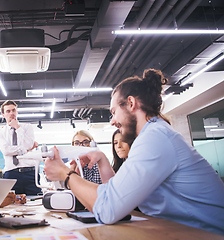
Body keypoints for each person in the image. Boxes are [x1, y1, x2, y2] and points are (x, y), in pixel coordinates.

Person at [44, 69, 224, 235]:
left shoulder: (155, 138)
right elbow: (120, 195)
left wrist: (65, 174)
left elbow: (108, 209)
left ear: (131, 103)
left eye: (113, 112)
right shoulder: (152, 134)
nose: (112, 122)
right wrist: (103, 160)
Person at [0, 100, 40, 195]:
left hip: (30, 172)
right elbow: (6, 151)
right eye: (8, 111)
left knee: (35, 203)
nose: (11, 113)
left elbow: (29, 144)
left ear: (17, 112)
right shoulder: (1, 132)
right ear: (3, 114)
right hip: (11, 173)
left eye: (13, 110)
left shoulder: (27, 127)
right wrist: (26, 149)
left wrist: (17, 127)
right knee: (11, 204)